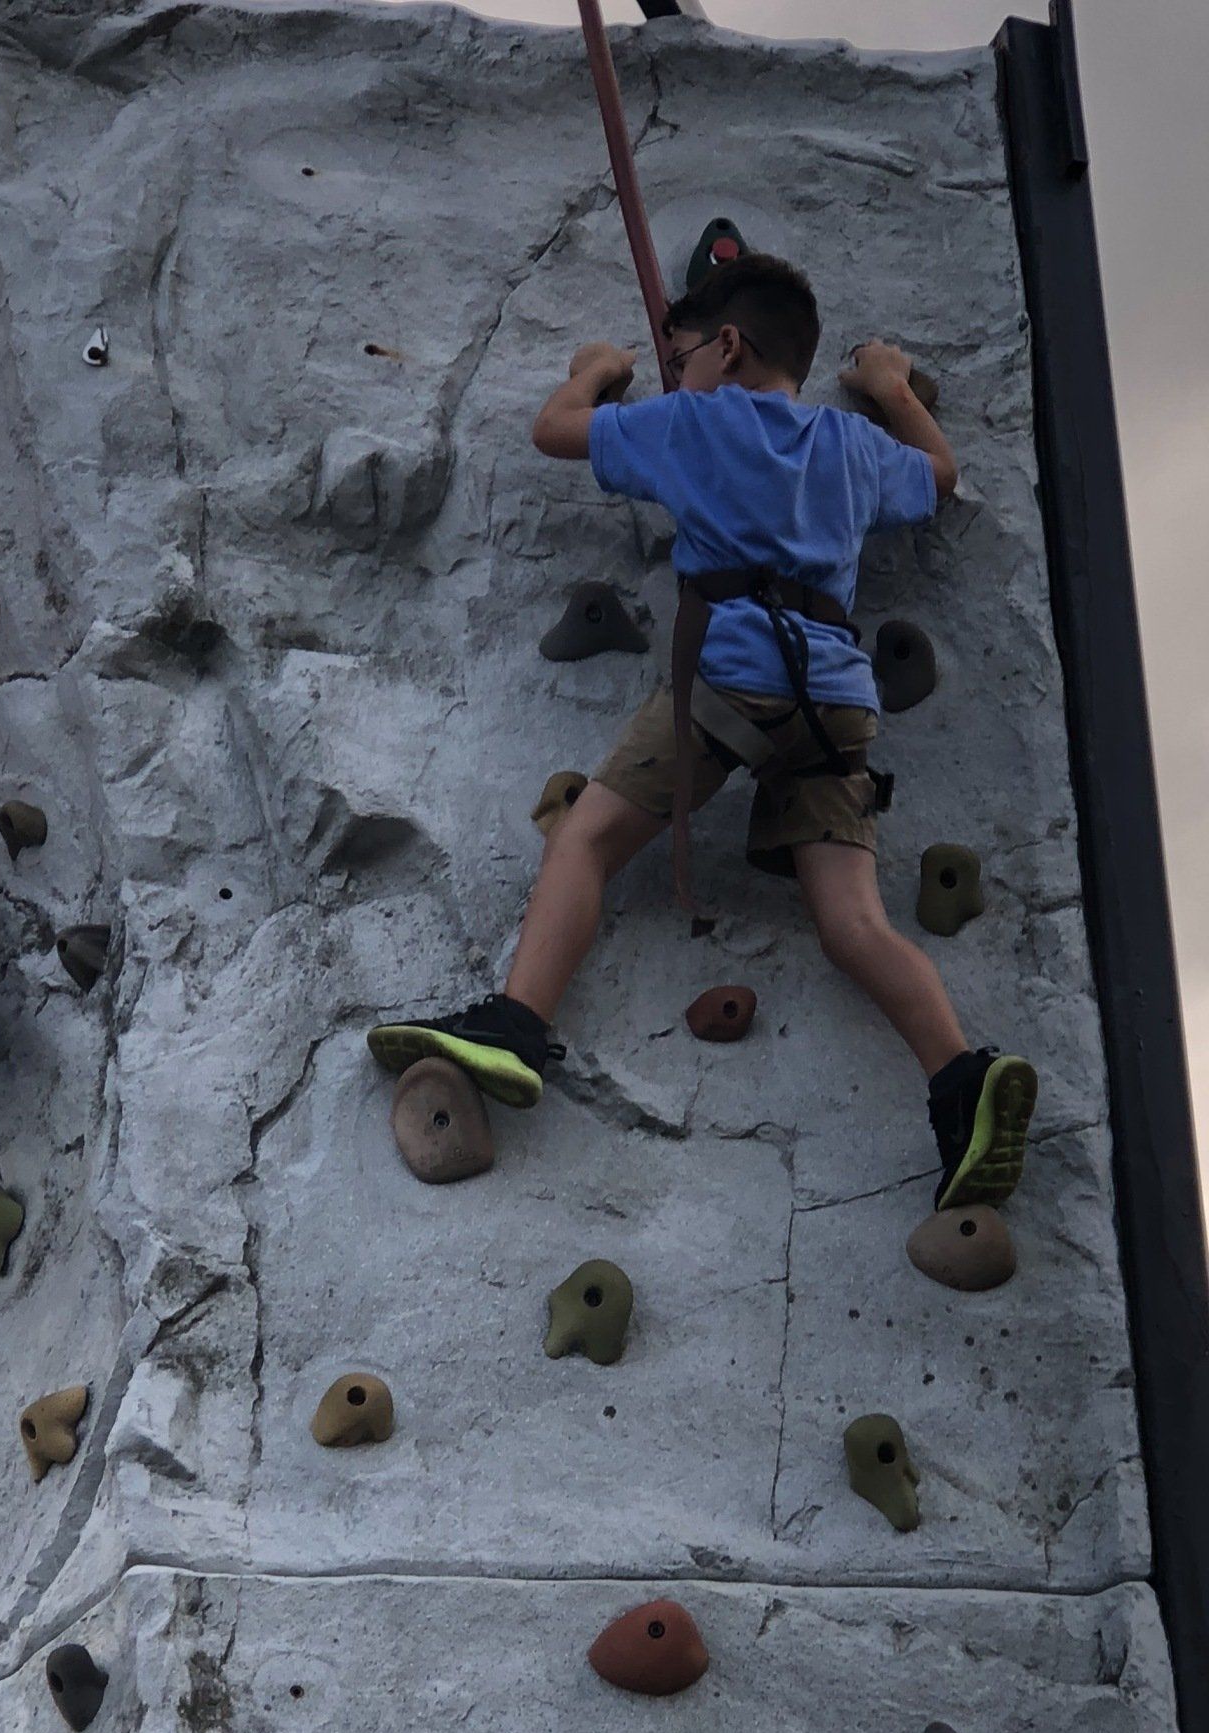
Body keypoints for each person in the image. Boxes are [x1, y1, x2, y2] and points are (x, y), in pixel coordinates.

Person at [369, 251, 1036, 1213]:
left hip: (731, 679)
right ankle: (962, 1080)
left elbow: (555, 430)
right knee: (855, 924)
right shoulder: (849, 449)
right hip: (837, 705)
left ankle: (515, 1024)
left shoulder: (695, 422)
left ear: (727, 346)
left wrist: (599, 372)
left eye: (678, 354)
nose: (671, 371)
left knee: (589, 839)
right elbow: (937, 474)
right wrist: (890, 388)